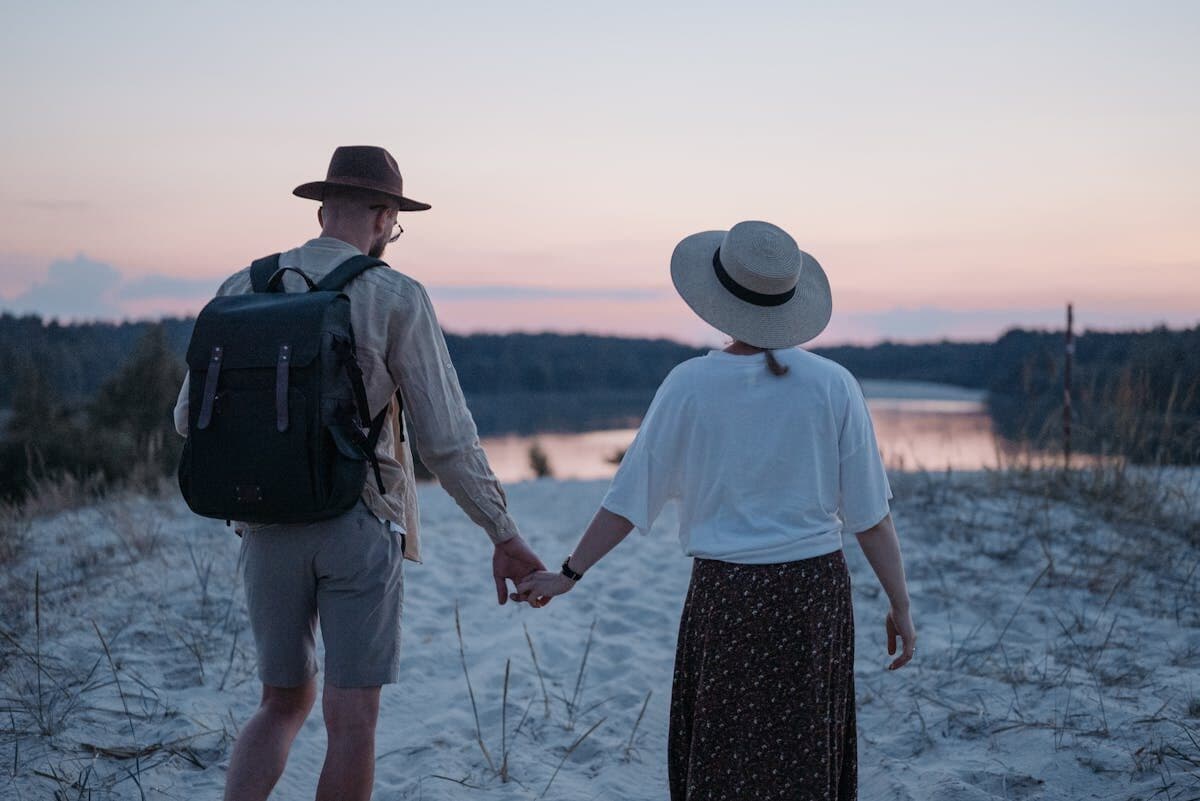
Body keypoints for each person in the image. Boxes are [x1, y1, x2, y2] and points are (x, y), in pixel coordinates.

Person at [172, 145, 547, 801]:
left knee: (280, 703)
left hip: (265, 524)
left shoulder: (238, 288)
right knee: (351, 719)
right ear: (382, 218)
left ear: (322, 210)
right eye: (393, 224)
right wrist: (504, 533)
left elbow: (186, 420)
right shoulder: (394, 294)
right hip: (358, 520)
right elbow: (447, 440)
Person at [518, 220, 916, 801]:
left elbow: (628, 500)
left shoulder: (688, 385)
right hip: (813, 594)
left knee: (722, 758)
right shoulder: (835, 385)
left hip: (725, 596)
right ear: (790, 305)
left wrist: (569, 573)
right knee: (806, 753)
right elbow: (870, 517)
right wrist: (900, 604)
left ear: (719, 301)